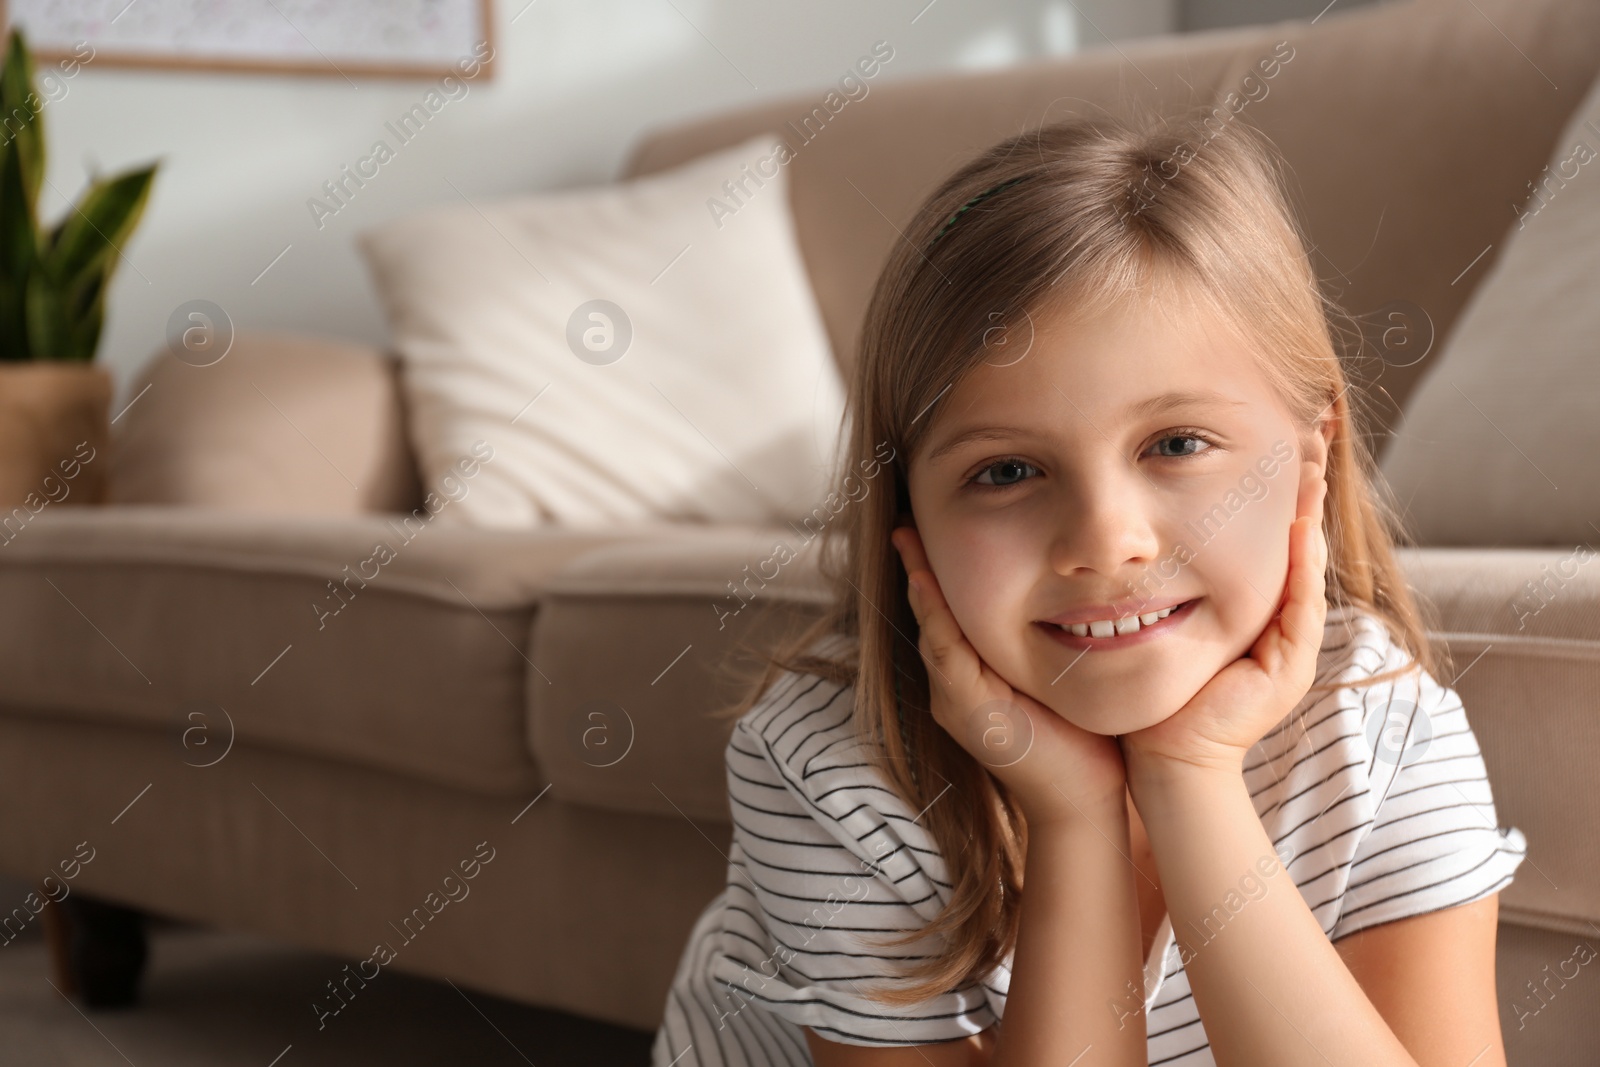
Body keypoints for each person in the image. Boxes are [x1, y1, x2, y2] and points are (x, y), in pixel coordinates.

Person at [650, 107, 1527, 1066]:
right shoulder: (824, 762)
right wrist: (1075, 821)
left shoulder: (1387, 730)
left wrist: (1190, 779)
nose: (1106, 542)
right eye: (1007, 471)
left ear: (1314, 458)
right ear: (909, 517)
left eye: (1178, 444)